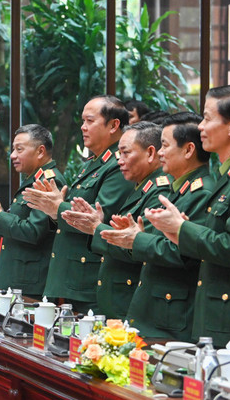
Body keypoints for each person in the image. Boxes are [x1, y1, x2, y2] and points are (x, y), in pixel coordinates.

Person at [147, 85, 230, 359]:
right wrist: (178, 229)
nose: (201, 127)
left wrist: (181, 228)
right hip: (217, 317)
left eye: (208, 118)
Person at [101, 113, 214, 341]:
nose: (160, 153)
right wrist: (137, 234)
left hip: (171, 314)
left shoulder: (203, 192)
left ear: (188, 150)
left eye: (164, 146)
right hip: (155, 308)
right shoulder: (180, 189)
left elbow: (184, 252)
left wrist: (136, 239)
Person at [22, 95, 133, 313]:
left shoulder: (118, 165)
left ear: (113, 125)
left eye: (90, 121)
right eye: (82, 121)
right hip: (69, 275)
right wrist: (54, 211)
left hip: (88, 277)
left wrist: (56, 208)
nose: (83, 127)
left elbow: (98, 217)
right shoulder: (93, 163)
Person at [61, 122, 170, 318]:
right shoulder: (141, 186)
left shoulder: (160, 191)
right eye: (119, 153)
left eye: (126, 153)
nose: (119, 160)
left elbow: (137, 245)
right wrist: (98, 224)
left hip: (131, 297)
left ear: (151, 153)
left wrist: (97, 227)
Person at [0, 124, 66, 298]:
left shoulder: (48, 182)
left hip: (30, 283)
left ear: (40, 151)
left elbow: (33, 231)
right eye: (13, 149)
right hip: (17, 278)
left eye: (19, 149)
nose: (13, 155)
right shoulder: (34, 178)